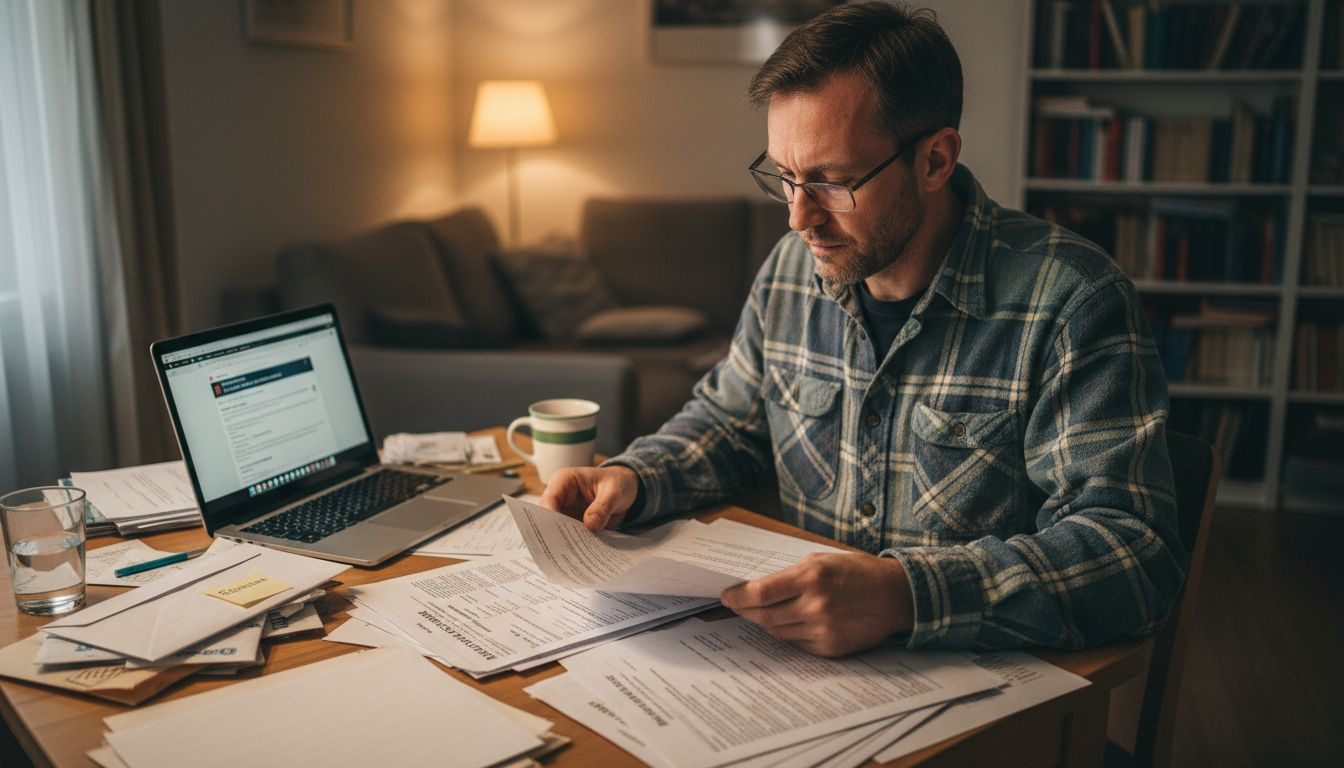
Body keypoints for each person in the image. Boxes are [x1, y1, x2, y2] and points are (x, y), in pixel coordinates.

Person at [540, 1, 1185, 657]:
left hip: (979, 693)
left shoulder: (1072, 301)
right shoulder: (794, 270)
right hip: (792, 675)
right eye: (785, 178)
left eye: (833, 182)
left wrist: (904, 596)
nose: (798, 219)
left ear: (935, 160)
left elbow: (1135, 554)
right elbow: (730, 420)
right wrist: (637, 476)